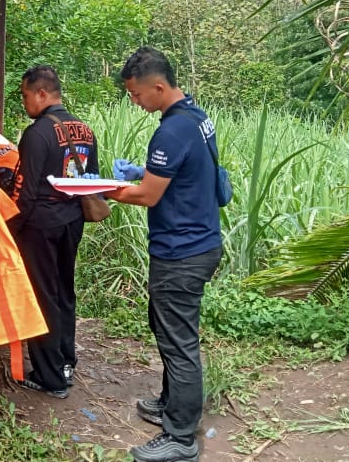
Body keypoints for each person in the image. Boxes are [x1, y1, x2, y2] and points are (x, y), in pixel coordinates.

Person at [102, 47, 222, 462]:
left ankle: (181, 436)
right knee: (166, 327)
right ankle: (173, 404)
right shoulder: (197, 117)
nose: (134, 102)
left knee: (178, 341)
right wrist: (141, 170)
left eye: (136, 95)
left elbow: (149, 195)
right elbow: (184, 172)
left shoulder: (170, 131)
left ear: (158, 86)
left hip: (181, 250)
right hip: (200, 240)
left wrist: (99, 189)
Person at [11, 64, 99, 399]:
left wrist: (10, 228)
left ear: (42, 93)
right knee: (64, 291)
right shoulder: (84, 130)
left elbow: (25, 191)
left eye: (25, 95)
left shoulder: (37, 133)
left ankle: (50, 378)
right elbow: (92, 180)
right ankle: (66, 361)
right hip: (72, 220)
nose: (24, 102)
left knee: (42, 296)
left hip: (42, 225)